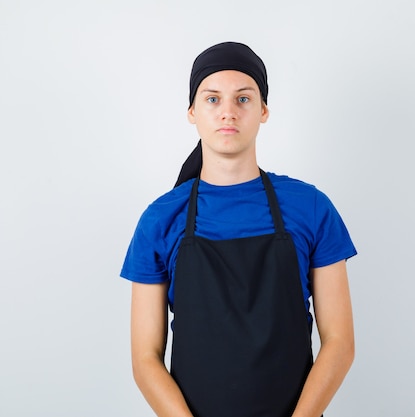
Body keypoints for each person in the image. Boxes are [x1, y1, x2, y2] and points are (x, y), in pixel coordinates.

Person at [120, 41, 357, 417]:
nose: (228, 112)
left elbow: (340, 342)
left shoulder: (311, 207)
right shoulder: (160, 219)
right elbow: (145, 359)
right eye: (212, 99)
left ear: (263, 110)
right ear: (192, 112)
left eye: (243, 99)